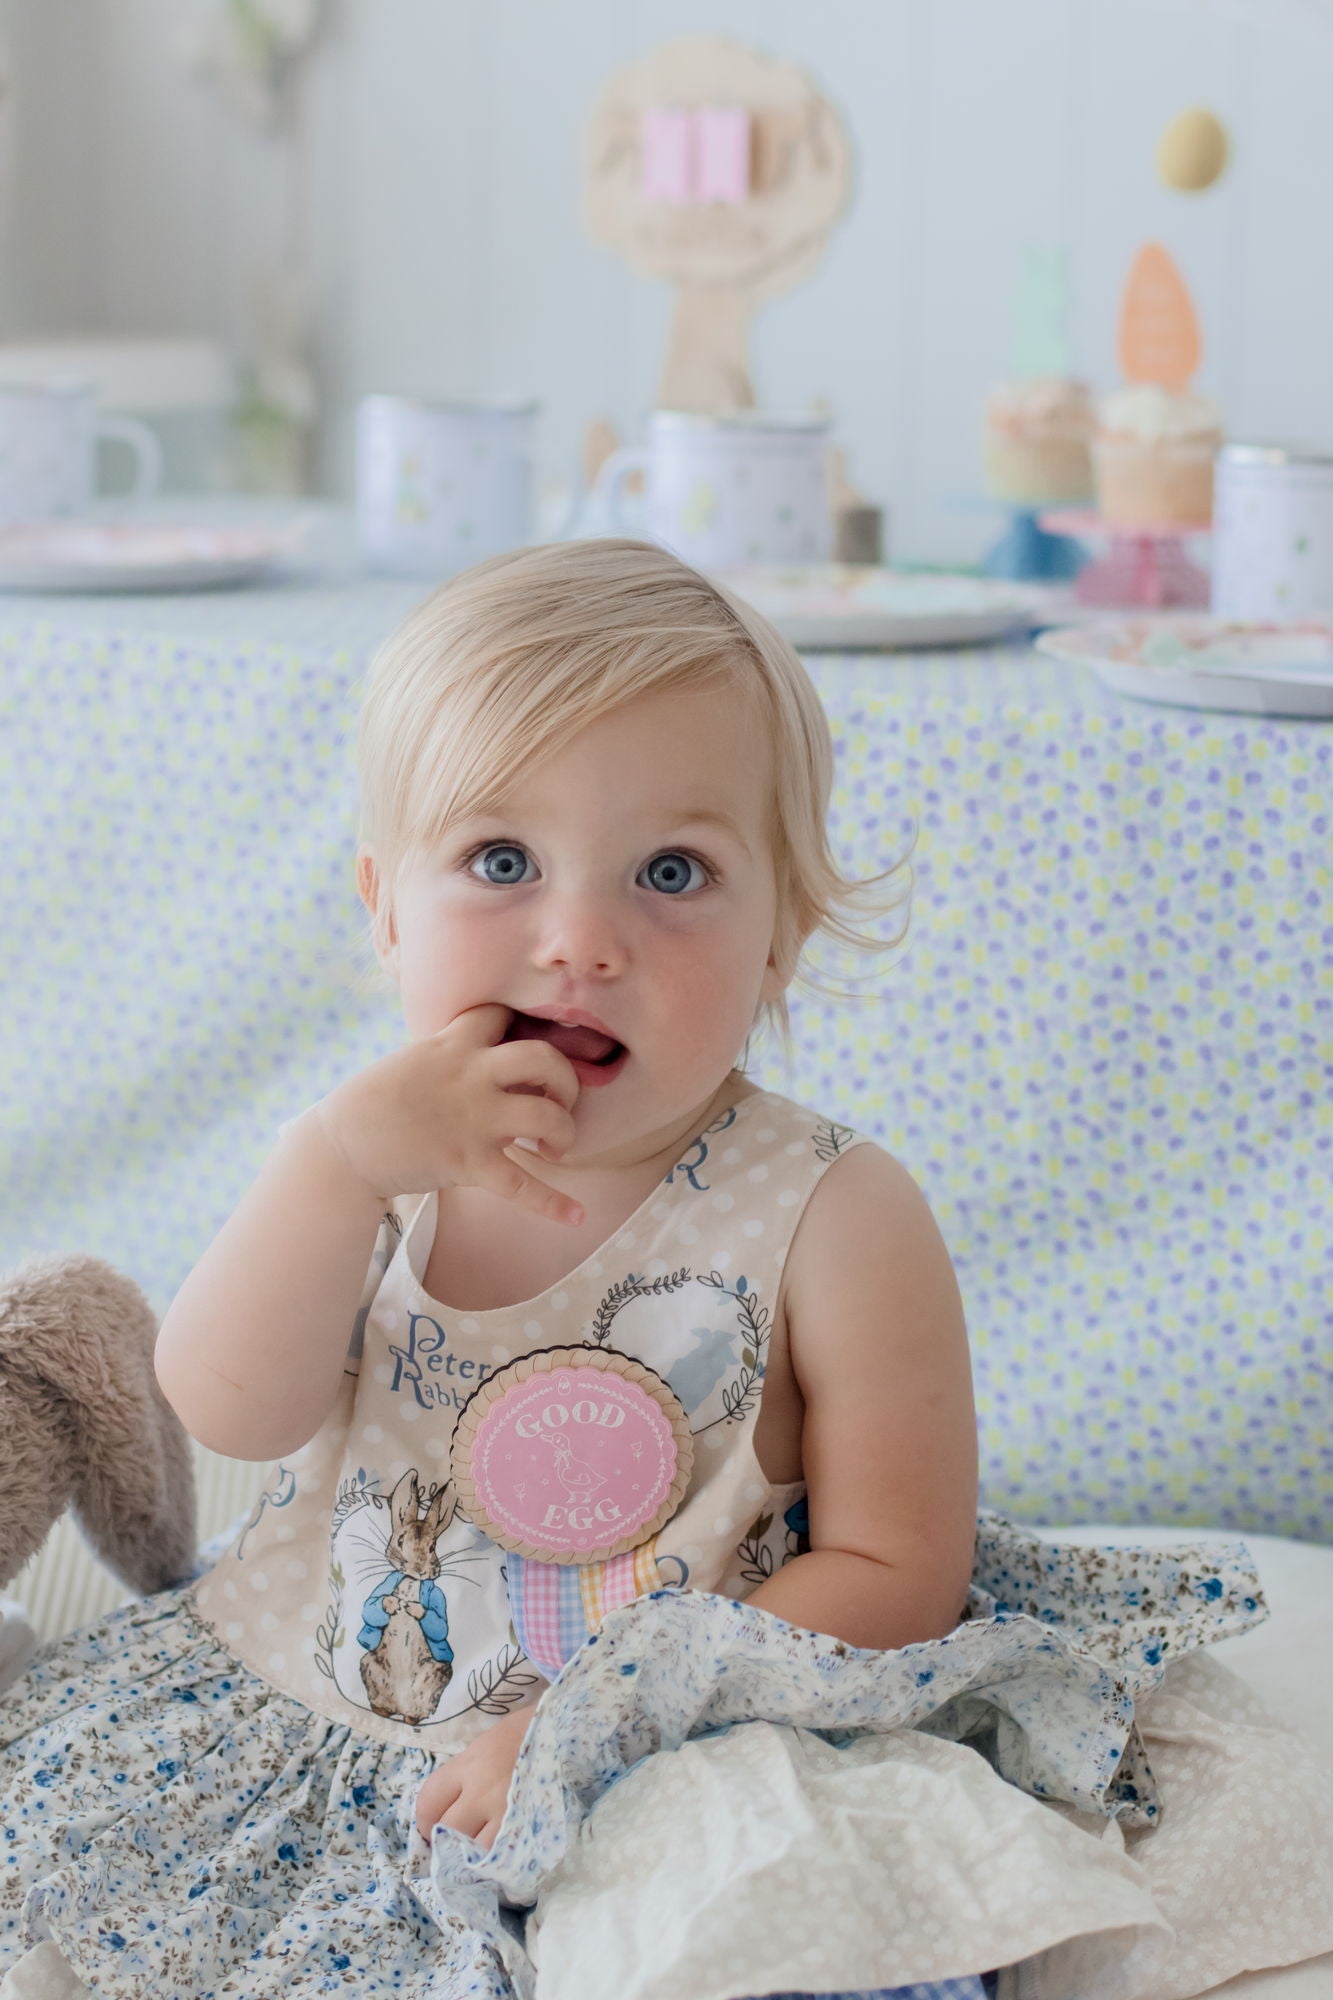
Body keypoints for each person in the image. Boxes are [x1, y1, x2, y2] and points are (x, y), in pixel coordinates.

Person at [0, 539, 1081, 2000]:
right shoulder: (373, 1159)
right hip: (317, 1705)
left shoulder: (835, 1209)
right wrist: (329, 1168)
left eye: (673, 873)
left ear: (782, 936)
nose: (581, 943)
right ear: (386, 909)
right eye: (501, 863)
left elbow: (903, 1571)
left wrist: (599, 1717)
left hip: (675, 1743)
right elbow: (228, 1411)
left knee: (754, 1940)